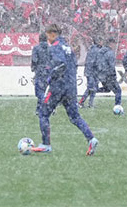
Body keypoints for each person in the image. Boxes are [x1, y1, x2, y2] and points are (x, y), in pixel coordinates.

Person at [35, 23, 98, 155]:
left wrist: (50, 78)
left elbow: (60, 65)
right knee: (74, 116)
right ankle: (91, 139)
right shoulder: (68, 47)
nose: (47, 38)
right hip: (71, 87)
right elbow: (73, 65)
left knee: (43, 113)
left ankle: (46, 144)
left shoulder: (55, 47)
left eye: (47, 35)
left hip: (58, 87)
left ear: (52, 34)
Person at [96, 40, 122, 109]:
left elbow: (97, 63)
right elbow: (111, 66)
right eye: (114, 43)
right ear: (111, 44)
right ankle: (117, 106)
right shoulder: (110, 53)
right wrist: (113, 75)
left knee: (107, 89)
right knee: (118, 91)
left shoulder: (100, 51)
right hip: (109, 76)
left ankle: (94, 90)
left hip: (101, 75)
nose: (115, 45)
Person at [30, 32, 51, 115]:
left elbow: (34, 60)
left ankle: (44, 107)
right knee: (45, 90)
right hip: (49, 71)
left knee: (39, 92)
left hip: (40, 71)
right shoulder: (50, 48)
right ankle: (39, 109)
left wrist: (33, 68)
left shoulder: (36, 48)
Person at [78, 38, 100, 108]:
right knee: (91, 88)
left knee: (92, 88)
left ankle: (89, 103)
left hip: (90, 72)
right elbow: (94, 62)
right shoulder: (96, 50)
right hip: (92, 73)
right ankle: (83, 102)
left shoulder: (92, 49)